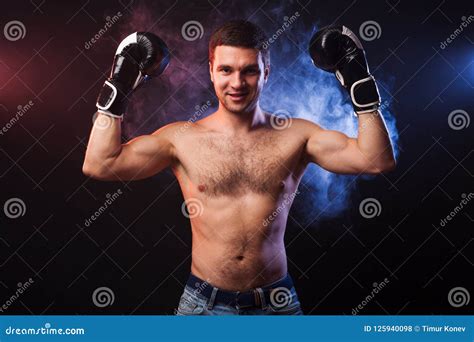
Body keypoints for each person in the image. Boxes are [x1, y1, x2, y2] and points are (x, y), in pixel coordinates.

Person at [82, 21, 396, 315]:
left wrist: (358, 82)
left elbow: (375, 160)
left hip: (277, 304)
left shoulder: (297, 135)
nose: (237, 83)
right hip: (202, 306)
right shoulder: (181, 139)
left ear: (266, 72)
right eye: (226, 70)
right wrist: (118, 86)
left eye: (249, 71)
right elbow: (101, 163)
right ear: (211, 71)